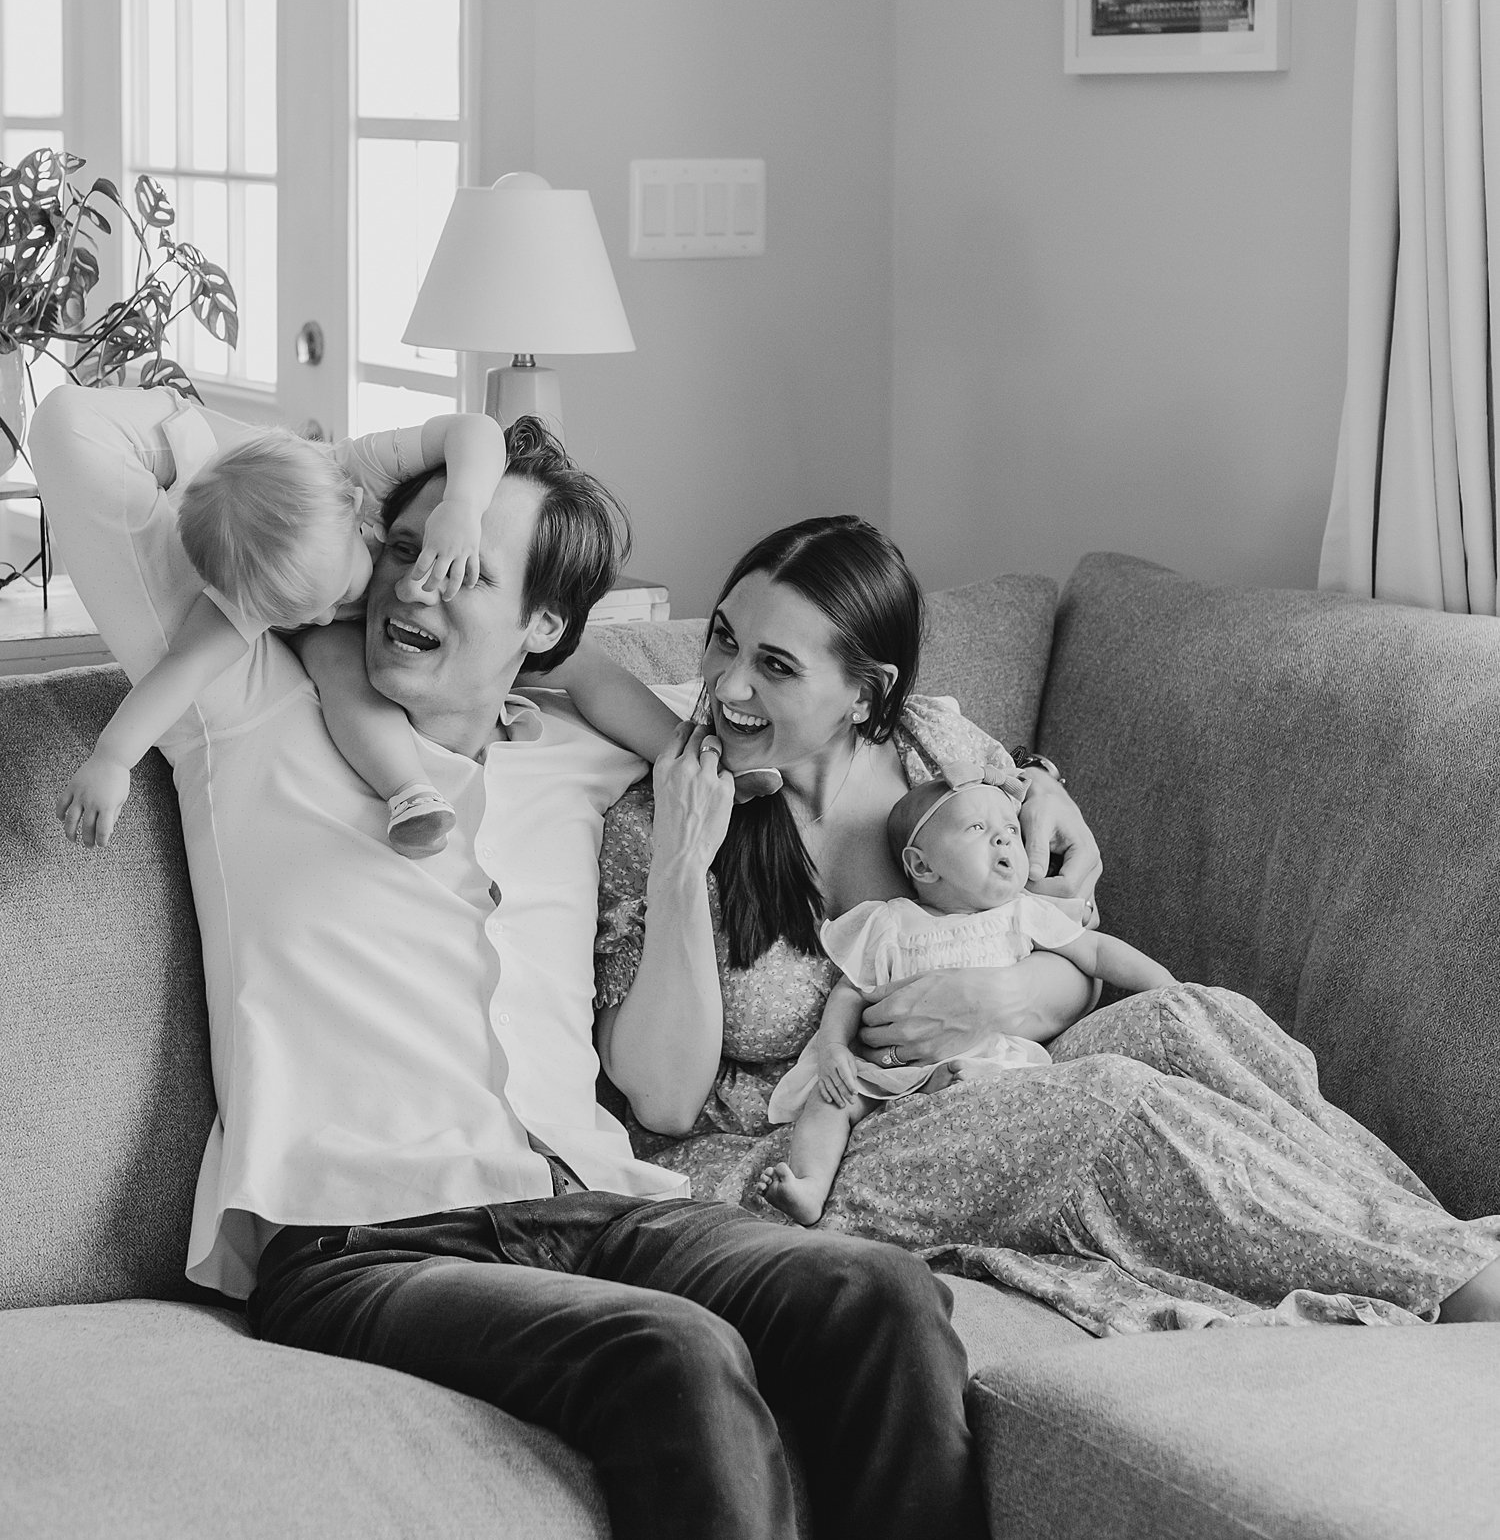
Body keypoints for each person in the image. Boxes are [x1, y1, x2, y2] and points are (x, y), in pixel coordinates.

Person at [32, 386, 1003, 1540]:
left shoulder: (589, 748)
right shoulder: (244, 703)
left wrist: (1029, 814)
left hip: (591, 1205)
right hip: (363, 1240)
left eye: (470, 571)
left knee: (876, 1291)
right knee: (675, 1353)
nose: (417, 583)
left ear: (547, 629)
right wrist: (381, 488)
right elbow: (76, 434)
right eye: (404, 548)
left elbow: (800, 718)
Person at [595, 513, 1500, 1333]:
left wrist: (1007, 994)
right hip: (797, 1152)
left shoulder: (939, 756)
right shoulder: (665, 811)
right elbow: (664, 1104)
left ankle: (1437, 1241)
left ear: (867, 696)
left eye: (776, 665)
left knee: (1191, 1019)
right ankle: (1449, 1290)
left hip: (980, 1072)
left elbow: (1069, 945)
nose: (726, 683)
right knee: (1104, 1106)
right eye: (724, 640)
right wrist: (683, 855)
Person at [57, 411, 507, 855]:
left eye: (336, 596)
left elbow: (475, 429)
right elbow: (182, 669)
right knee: (334, 657)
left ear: (353, 508)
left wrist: (462, 505)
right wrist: (112, 759)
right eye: (302, 615)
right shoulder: (254, 584)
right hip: (351, 663)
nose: (331, 616)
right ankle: (410, 791)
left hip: (423, 609)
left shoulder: (361, 470)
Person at [759, 776, 1173, 1225]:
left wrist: (1165, 986)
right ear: (922, 866)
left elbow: (1095, 951)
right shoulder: (892, 922)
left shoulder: (1020, 913)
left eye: (1011, 830)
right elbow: (851, 991)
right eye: (977, 828)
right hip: (892, 1073)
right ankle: (808, 1185)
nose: (1003, 837)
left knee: (1013, 1083)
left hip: (992, 1063)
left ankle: (965, 1096)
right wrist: (834, 1049)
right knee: (831, 1100)